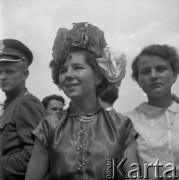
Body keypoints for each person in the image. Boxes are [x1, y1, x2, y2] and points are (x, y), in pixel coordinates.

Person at [25, 22, 138, 180]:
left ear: (98, 76)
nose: (69, 75)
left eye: (77, 67)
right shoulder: (47, 126)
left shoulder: (122, 126)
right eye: (63, 70)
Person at [126, 44, 179, 179]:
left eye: (161, 69)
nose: (153, 75)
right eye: (146, 71)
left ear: (175, 75)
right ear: (138, 80)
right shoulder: (127, 123)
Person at [0, 39, 45, 180]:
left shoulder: (27, 102)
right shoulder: (9, 104)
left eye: (9, 72)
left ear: (25, 75)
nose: (2, 77)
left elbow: (35, 154)